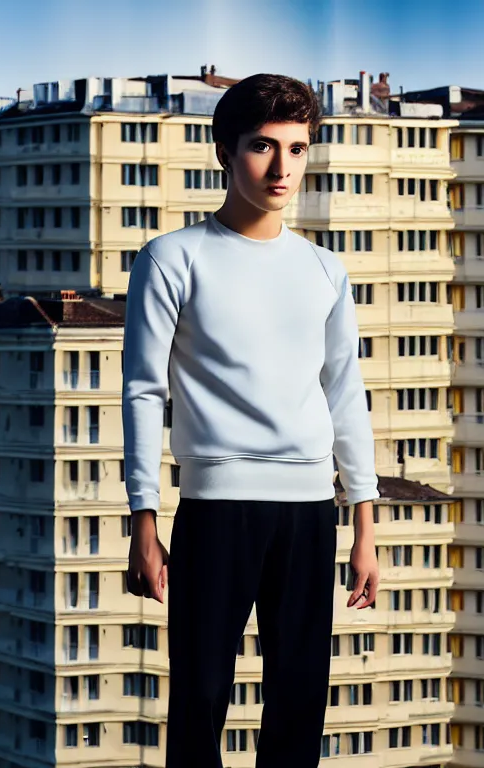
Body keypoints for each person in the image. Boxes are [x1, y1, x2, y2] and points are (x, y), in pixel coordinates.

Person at [123, 73, 380, 768]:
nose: (282, 167)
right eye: (263, 147)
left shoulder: (325, 270)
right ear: (224, 152)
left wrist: (364, 524)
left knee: (300, 698)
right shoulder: (172, 259)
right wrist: (143, 521)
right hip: (216, 506)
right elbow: (144, 392)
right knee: (201, 698)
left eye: (297, 149)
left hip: (307, 511)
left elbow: (344, 391)